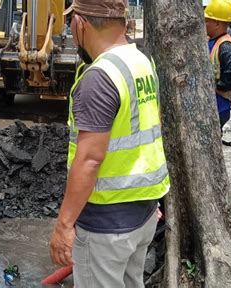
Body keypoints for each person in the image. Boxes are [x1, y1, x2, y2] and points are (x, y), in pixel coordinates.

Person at [49, 0, 170, 287]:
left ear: (80, 23)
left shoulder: (100, 77)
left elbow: (89, 159)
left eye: (71, 23)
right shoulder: (142, 61)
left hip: (106, 223)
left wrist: (64, 226)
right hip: (142, 214)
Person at [205, 0, 231, 129]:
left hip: (219, 106)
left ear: (217, 23)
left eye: (207, 21)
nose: (204, 24)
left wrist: (219, 86)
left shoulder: (225, 45)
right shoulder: (214, 41)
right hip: (215, 105)